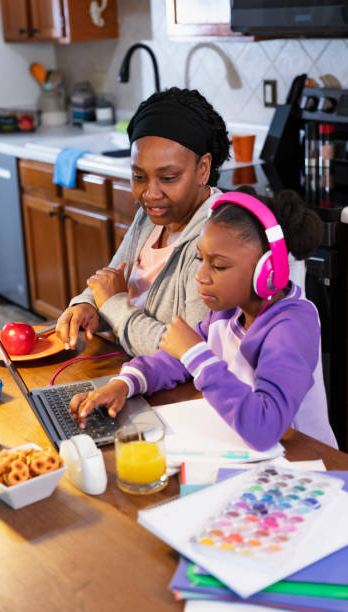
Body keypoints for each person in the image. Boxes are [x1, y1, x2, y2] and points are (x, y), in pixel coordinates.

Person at [69, 188, 337, 451]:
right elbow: (174, 360)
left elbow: (265, 427)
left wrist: (195, 353)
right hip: (241, 450)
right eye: (201, 259)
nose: (201, 275)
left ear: (266, 271)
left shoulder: (291, 327)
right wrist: (123, 384)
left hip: (301, 462)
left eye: (218, 266)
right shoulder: (228, 311)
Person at [56, 87, 231, 356]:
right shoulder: (150, 218)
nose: (150, 194)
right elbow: (112, 281)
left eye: (169, 177)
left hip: (177, 394)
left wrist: (112, 304)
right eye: (139, 176)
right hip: (131, 377)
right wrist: (86, 306)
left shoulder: (217, 241)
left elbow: (192, 355)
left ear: (203, 169)